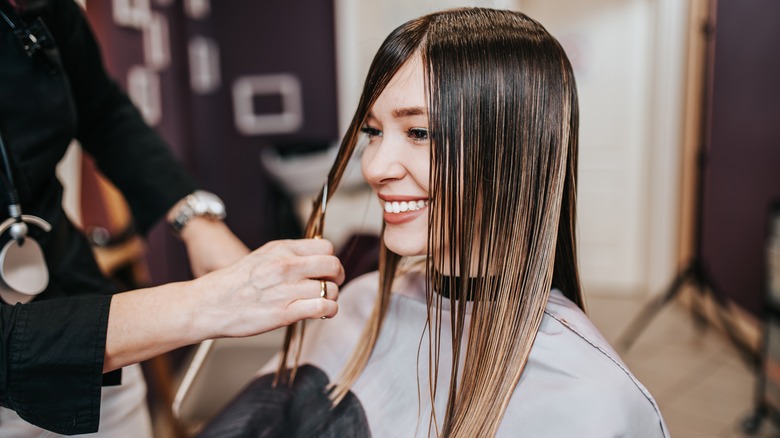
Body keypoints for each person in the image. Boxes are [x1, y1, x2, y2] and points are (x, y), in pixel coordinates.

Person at [197, 7, 669, 438]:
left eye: (420, 132)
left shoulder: (592, 401)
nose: (376, 166)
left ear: (515, 154)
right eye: (374, 132)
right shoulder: (359, 307)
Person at [0, 0, 343, 436]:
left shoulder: (41, 10)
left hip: (75, 304)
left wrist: (194, 218)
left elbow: (103, 111)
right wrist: (206, 303)